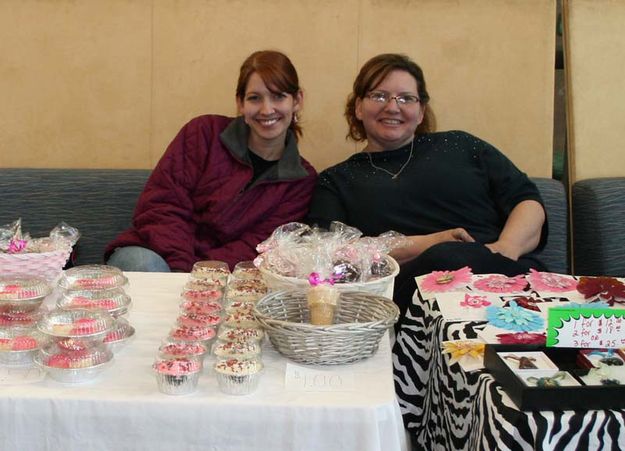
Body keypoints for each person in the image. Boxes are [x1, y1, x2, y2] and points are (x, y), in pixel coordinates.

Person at [306, 53, 547, 316]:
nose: (392, 107)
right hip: (421, 300)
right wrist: (435, 242)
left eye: (406, 98)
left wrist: (505, 249)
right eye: (379, 96)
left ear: (421, 111)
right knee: (445, 257)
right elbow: (333, 257)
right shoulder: (336, 180)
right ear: (358, 107)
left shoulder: (462, 145)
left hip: (509, 280)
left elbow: (527, 201)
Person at [105, 50, 317, 272]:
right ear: (240, 103)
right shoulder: (203, 134)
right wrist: (184, 271)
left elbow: (258, 245)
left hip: (223, 275)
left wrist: (203, 275)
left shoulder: (301, 181)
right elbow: (162, 207)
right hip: (154, 252)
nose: (267, 109)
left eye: (278, 96)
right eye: (255, 98)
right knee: (146, 265)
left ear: (297, 101)